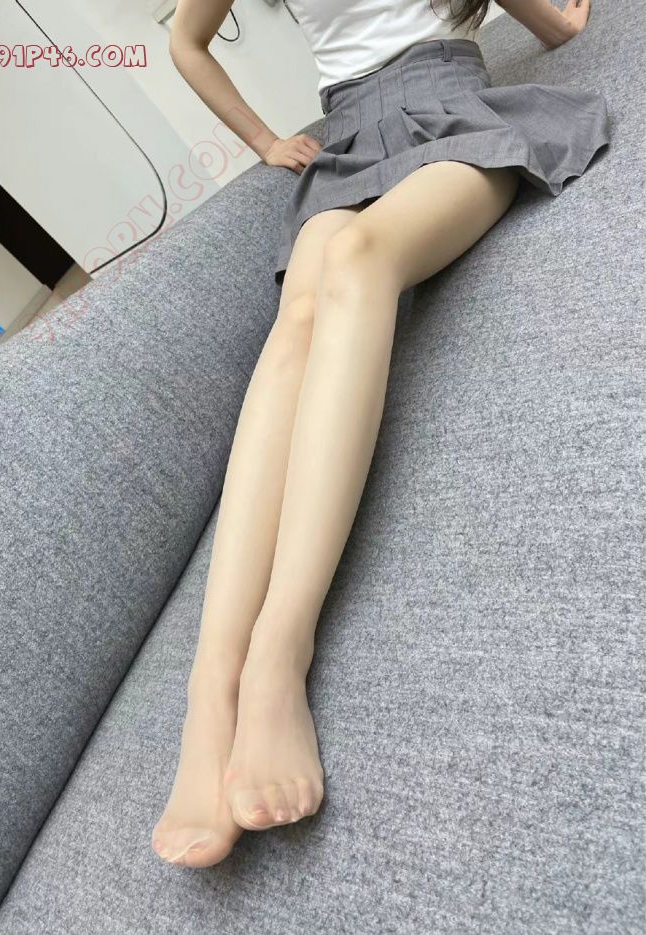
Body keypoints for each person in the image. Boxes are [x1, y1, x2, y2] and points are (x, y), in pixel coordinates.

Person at [152, 0, 609, 869]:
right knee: (296, 320)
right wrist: (263, 141)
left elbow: (543, 23)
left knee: (360, 261)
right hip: (349, 128)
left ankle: (279, 653)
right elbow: (186, 39)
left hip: (449, 101)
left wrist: (556, 24)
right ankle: (211, 694)